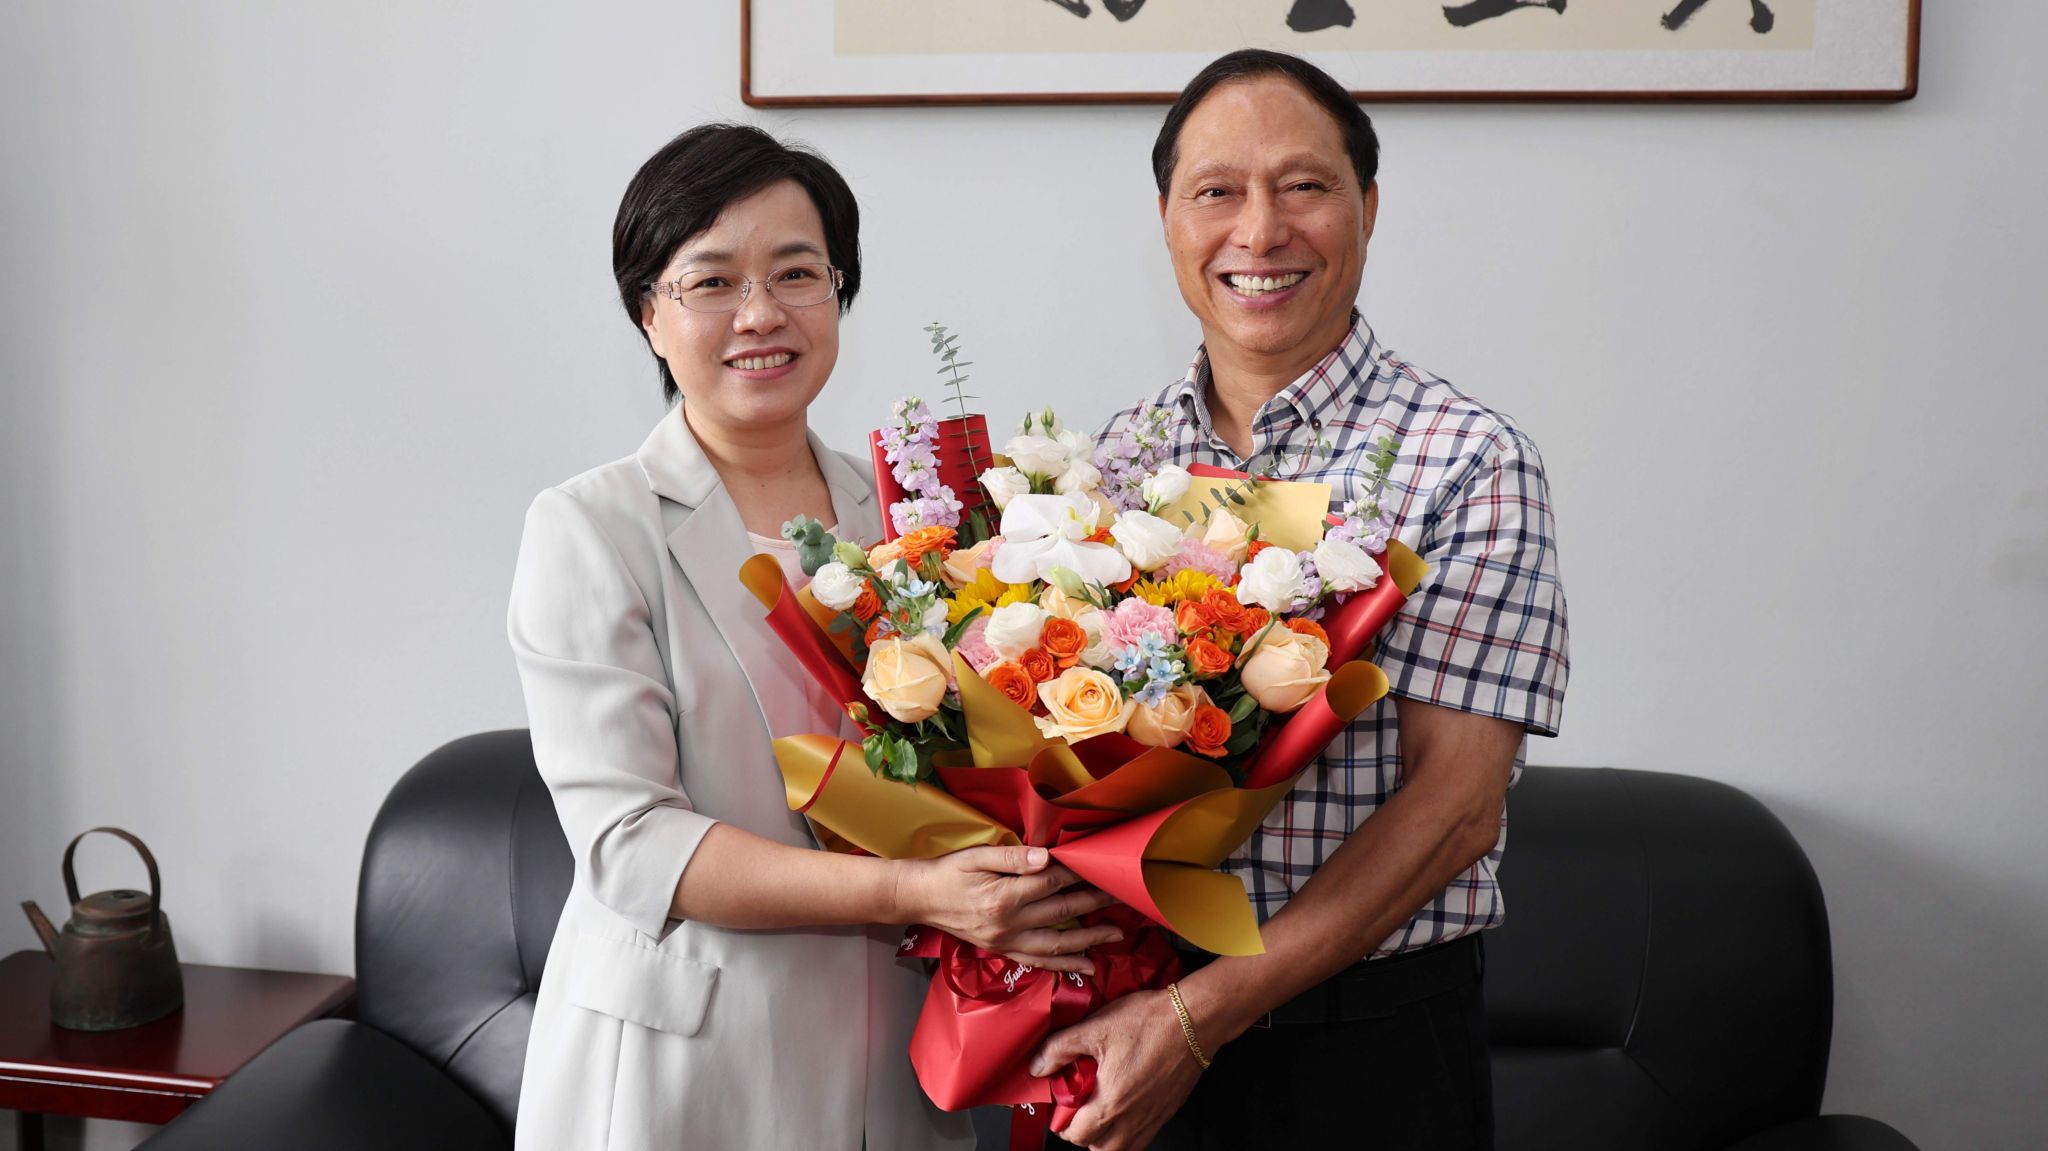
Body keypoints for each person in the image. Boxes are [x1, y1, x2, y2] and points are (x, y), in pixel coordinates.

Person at [507, 123, 1121, 1150]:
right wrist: (913, 890)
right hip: (680, 1070)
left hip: (891, 1060)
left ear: (839, 292)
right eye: (712, 281)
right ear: (649, 313)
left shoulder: (912, 518)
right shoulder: (592, 528)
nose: (760, 313)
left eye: (796, 272)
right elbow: (630, 843)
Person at [1036, 51, 1570, 1151]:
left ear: (1367, 207)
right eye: (1216, 190)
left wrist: (1198, 1017)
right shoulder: (1116, 463)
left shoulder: (1466, 461)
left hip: (1361, 1052)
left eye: (1304, 186)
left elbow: (1456, 809)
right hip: (1125, 1014)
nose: (1260, 229)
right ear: (1167, 220)